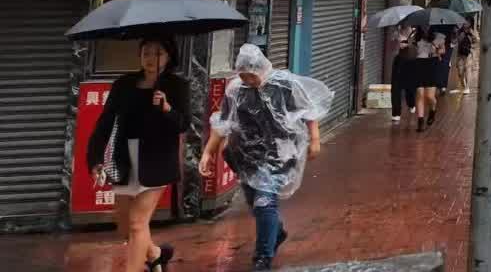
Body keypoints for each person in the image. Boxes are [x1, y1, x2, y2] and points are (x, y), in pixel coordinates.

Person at [201, 44, 328, 271]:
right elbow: (223, 123)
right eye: (243, 76)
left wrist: (315, 139)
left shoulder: (284, 84)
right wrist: (208, 152)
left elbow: (309, 111)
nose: (248, 81)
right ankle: (276, 232)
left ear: (262, 68)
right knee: (256, 203)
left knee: (264, 203)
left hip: (280, 154)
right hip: (246, 156)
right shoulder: (235, 90)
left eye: (252, 76)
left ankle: (262, 258)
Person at [85, 36, 189, 272]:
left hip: (157, 161)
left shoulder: (176, 85)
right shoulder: (123, 84)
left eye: (158, 53)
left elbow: (183, 124)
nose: (151, 58)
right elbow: (104, 123)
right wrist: (95, 159)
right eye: (146, 53)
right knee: (125, 226)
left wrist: (167, 109)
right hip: (124, 158)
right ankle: (156, 254)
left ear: (169, 56)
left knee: (137, 223)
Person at [410, 27, 439, 131]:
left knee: (430, 96)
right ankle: (420, 121)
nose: (425, 26)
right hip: (418, 65)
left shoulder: (438, 36)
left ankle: (433, 110)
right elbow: (411, 53)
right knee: (420, 94)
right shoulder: (415, 37)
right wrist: (411, 47)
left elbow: (443, 51)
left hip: (431, 65)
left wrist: (437, 48)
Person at [389, 25, 414, 125]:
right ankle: (396, 113)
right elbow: (391, 46)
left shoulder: (414, 32)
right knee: (395, 87)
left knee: (409, 85)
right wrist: (396, 42)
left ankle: (411, 103)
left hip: (410, 61)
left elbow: (416, 47)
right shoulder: (396, 32)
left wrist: (407, 43)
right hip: (398, 61)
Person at [453, 26, 475, 94]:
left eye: (467, 23)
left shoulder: (471, 32)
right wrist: (458, 37)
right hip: (460, 54)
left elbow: (477, 41)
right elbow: (454, 41)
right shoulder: (459, 32)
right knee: (460, 72)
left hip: (468, 54)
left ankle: (467, 87)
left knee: (468, 69)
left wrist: (472, 36)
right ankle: (464, 86)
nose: (465, 24)